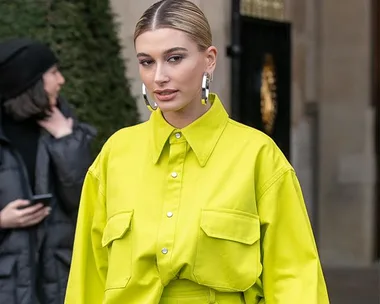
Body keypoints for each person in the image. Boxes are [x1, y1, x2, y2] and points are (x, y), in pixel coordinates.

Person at [65, 0, 329, 303]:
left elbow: (294, 277)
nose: (159, 77)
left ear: (210, 59)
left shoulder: (257, 155)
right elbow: (88, 277)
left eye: (174, 58)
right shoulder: (116, 154)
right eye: (147, 62)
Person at [0, 38, 96, 304]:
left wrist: (65, 138)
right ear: (27, 82)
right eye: (53, 73)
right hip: (8, 285)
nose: (61, 80)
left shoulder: (64, 125)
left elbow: (83, 198)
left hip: (58, 281)